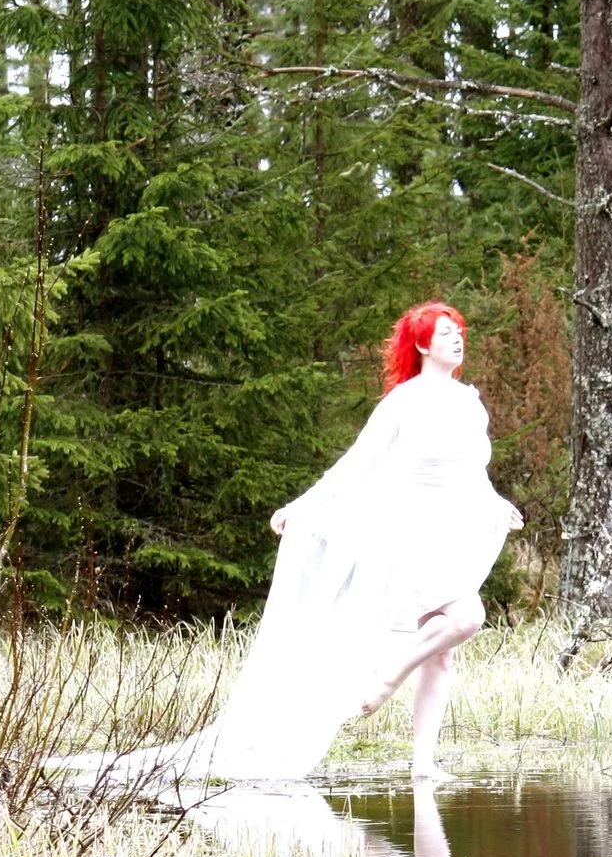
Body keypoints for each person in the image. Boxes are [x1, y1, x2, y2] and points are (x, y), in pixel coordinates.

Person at [60, 301, 520, 788]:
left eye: (459, 331)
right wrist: (304, 505)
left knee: (443, 653)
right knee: (467, 617)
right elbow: (355, 463)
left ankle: (423, 763)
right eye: (445, 332)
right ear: (422, 344)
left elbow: (472, 472)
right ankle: (388, 675)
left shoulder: (469, 403)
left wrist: (496, 504)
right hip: (408, 538)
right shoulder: (403, 402)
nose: (457, 339)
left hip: (449, 538)